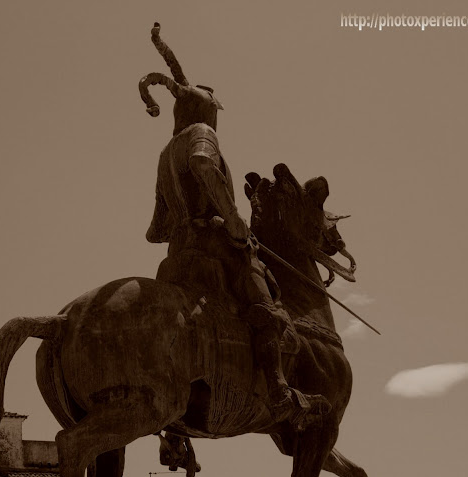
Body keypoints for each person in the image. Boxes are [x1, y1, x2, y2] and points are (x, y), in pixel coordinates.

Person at [139, 23, 329, 426]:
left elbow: (155, 230)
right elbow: (204, 164)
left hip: (177, 259)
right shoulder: (202, 135)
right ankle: (277, 388)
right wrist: (234, 217)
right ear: (206, 111)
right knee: (268, 305)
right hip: (213, 247)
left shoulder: (163, 155)